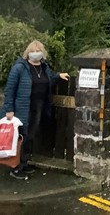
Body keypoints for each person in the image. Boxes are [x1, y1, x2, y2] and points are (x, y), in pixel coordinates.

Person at [0, 40, 69, 179]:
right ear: (28, 52)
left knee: (30, 136)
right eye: (33, 50)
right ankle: (15, 168)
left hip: (38, 107)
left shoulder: (44, 67)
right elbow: (10, 89)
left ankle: (24, 163)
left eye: (38, 51)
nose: (36, 53)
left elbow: (48, 79)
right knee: (20, 137)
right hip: (21, 108)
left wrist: (58, 76)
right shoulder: (19, 68)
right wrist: (9, 109)